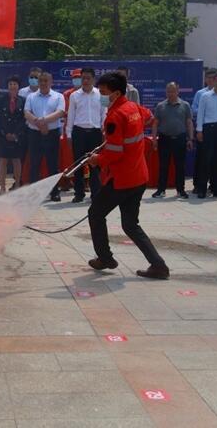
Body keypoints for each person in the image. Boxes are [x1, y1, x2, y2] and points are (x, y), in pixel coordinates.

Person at [86, 71, 168, 279]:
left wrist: (97, 159)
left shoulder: (114, 117)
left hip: (121, 179)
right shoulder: (133, 108)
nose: (101, 96)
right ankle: (158, 265)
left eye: (103, 92)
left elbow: (115, 153)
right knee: (130, 224)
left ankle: (105, 258)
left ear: (115, 93)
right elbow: (149, 118)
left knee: (95, 214)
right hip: (138, 177)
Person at [24, 71, 65, 202]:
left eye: (45, 80)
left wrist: (44, 121)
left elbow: (60, 112)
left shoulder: (58, 96)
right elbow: (26, 113)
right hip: (34, 134)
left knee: (53, 164)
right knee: (34, 164)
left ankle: (54, 192)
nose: (43, 83)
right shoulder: (31, 97)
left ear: (51, 82)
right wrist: (39, 123)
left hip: (52, 134)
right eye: (41, 80)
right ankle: (33, 194)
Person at [66, 67, 105, 203]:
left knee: (95, 165)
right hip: (79, 132)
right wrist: (69, 134)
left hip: (95, 133)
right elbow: (70, 115)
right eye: (83, 78)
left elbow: (104, 113)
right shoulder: (74, 96)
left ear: (94, 79)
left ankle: (96, 193)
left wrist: (104, 130)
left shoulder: (101, 94)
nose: (86, 81)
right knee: (78, 165)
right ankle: (79, 193)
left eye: (88, 78)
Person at [151, 82, 193, 199]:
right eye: (168, 91)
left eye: (173, 91)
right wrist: (154, 139)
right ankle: (161, 190)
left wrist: (190, 138)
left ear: (177, 91)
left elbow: (189, 122)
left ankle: (181, 190)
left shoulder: (185, 105)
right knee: (163, 166)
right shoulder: (160, 106)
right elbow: (155, 123)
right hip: (164, 139)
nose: (170, 93)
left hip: (180, 139)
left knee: (180, 166)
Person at [0, 76, 27, 193]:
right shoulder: (1, 99)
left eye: (15, 84)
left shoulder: (23, 100)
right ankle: (2, 187)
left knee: (16, 160)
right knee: (3, 160)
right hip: (4, 134)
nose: (12, 86)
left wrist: (16, 134)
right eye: (10, 84)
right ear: (7, 86)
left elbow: (24, 119)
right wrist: (5, 133)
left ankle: (17, 184)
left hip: (17, 135)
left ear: (18, 87)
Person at [191, 68, 217, 193]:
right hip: (203, 128)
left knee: (215, 158)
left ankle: (214, 184)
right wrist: (206, 111)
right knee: (201, 158)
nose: (211, 80)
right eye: (209, 78)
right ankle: (198, 184)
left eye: (213, 78)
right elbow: (194, 109)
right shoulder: (200, 93)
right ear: (205, 79)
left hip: (216, 130)